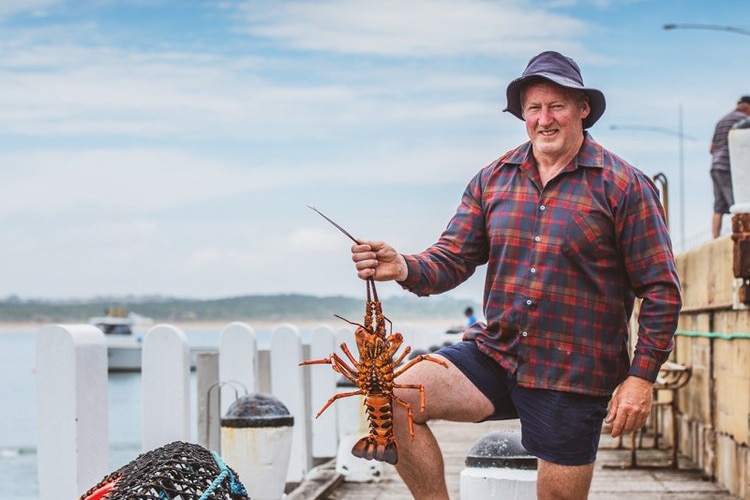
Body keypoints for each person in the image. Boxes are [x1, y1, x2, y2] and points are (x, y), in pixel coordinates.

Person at [349, 51, 682, 500]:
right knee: (392, 395)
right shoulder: (493, 179)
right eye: (533, 109)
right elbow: (452, 258)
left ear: (583, 109)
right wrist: (404, 266)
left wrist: (641, 377)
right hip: (498, 352)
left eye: (556, 106)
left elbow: (661, 291)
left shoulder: (624, 185)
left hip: (573, 371)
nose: (544, 119)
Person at [710, 95, 750, 238]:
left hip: (715, 166)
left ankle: (715, 238)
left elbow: (711, 148)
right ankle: (738, 231)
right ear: (747, 107)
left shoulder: (721, 121)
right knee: (736, 202)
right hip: (728, 167)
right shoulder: (742, 120)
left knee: (718, 206)